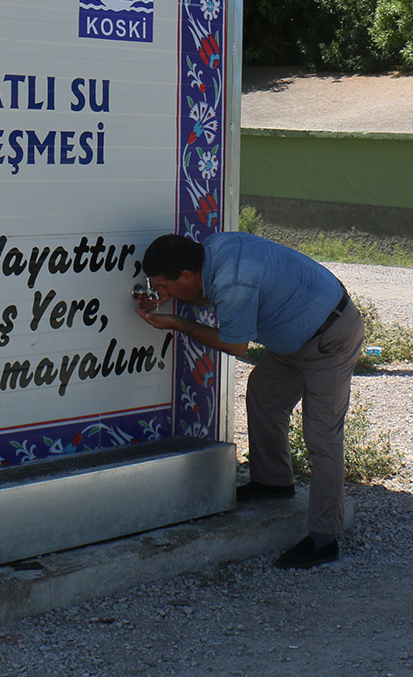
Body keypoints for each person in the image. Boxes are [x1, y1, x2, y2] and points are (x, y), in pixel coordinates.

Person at [135, 231, 364, 568]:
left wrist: (178, 323)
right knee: (263, 395)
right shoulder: (214, 250)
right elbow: (209, 296)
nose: (163, 293)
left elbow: (235, 345)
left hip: (330, 337)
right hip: (296, 333)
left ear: (186, 275)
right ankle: (272, 483)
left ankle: (323, 539)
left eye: (165, 287)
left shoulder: (233, 281)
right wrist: (170, 300)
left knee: (322, 435)